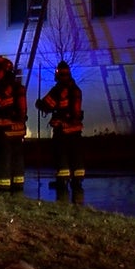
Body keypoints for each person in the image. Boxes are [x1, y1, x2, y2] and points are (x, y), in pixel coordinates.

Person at [36, 61, 85, 201]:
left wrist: (39, 104)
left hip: (62, 129)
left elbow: (47, 105)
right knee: (76, 154)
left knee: (61, 154)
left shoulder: (58, 90)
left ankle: (62, 181)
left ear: (58, 74)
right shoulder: (76, 89)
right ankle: (77, 181)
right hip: (75, 129)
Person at [0, 56, 28, 192]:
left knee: (3, 155)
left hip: (4, 129)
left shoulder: (1, 88)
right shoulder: (19, 87)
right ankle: (18, 182)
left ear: (3, 71)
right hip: (18, 129)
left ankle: (3, 183)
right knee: (17, 155)